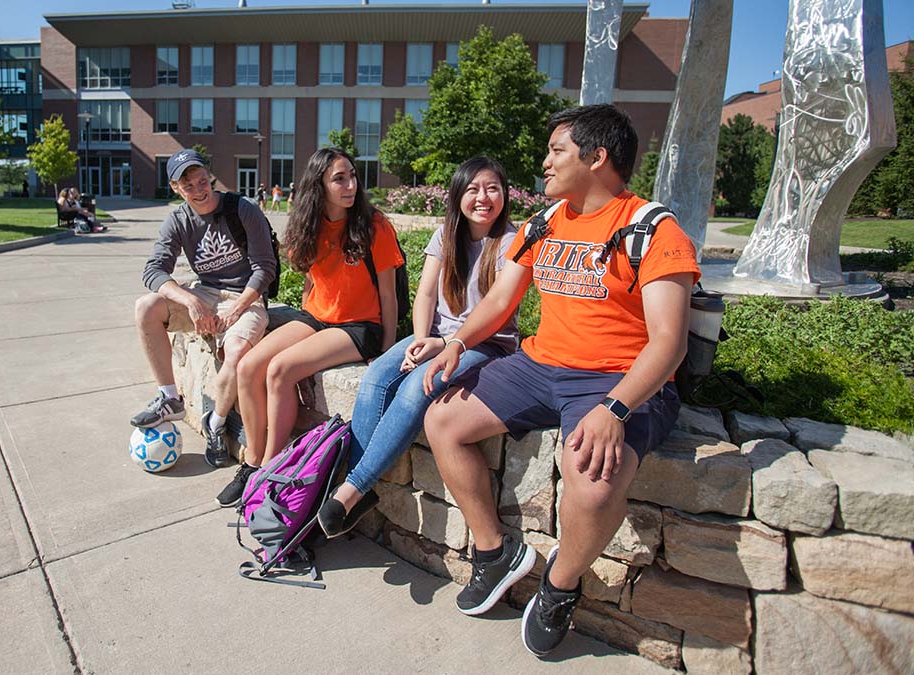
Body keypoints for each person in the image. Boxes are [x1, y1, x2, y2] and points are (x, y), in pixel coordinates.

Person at [420, 104, 699, 655]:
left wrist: (614, 410)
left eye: (556, 151)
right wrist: (456, 341)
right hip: (539, 365)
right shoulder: (544, 223)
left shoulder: (653, 229)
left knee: (593, 486)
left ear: (597, 158)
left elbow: (670, 341)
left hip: (616, 379)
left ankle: (559, 585)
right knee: (443, 419)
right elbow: (501, 300)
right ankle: (493, 550)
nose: (543, 162)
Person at [316, 157, 521, 548]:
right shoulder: (446, 235)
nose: (483, 197)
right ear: (458, 194)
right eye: (473, 189)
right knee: (376, 378)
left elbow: (497, 310)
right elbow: (426, 293)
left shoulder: (513, 242)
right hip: (436, 337)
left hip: (486, 345)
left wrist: (439, 347)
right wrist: (419, 340)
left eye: (492, 188)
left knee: (417, 387)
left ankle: (352, 488)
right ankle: (358, 492)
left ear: (505, 194)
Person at [218, 148, 403, 508]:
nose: (350, 184)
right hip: (317, 318)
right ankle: (252, 461)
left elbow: (389, 294)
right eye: (339, 178)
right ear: (318, 185)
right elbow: (311, 281)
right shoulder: (310, 224)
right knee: (247, 367)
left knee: (279, 370)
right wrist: (307, 318)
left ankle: (268, 471)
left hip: (359, 326)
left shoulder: (374, 225)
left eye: (352, 175)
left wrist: (385, 353)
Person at [136, 149, 277, 468]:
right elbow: (153, 270)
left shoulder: (242, 209)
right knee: (147, 308)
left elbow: (265, 268)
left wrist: (238, 308)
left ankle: (215, 423)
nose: (199, 191)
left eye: (203, 182)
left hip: (247, 296)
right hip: (206, 293)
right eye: (189, 187)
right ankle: (170, 397)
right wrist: (191, 300)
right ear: (175, 188)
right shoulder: (177, 221)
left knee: (237, 352)